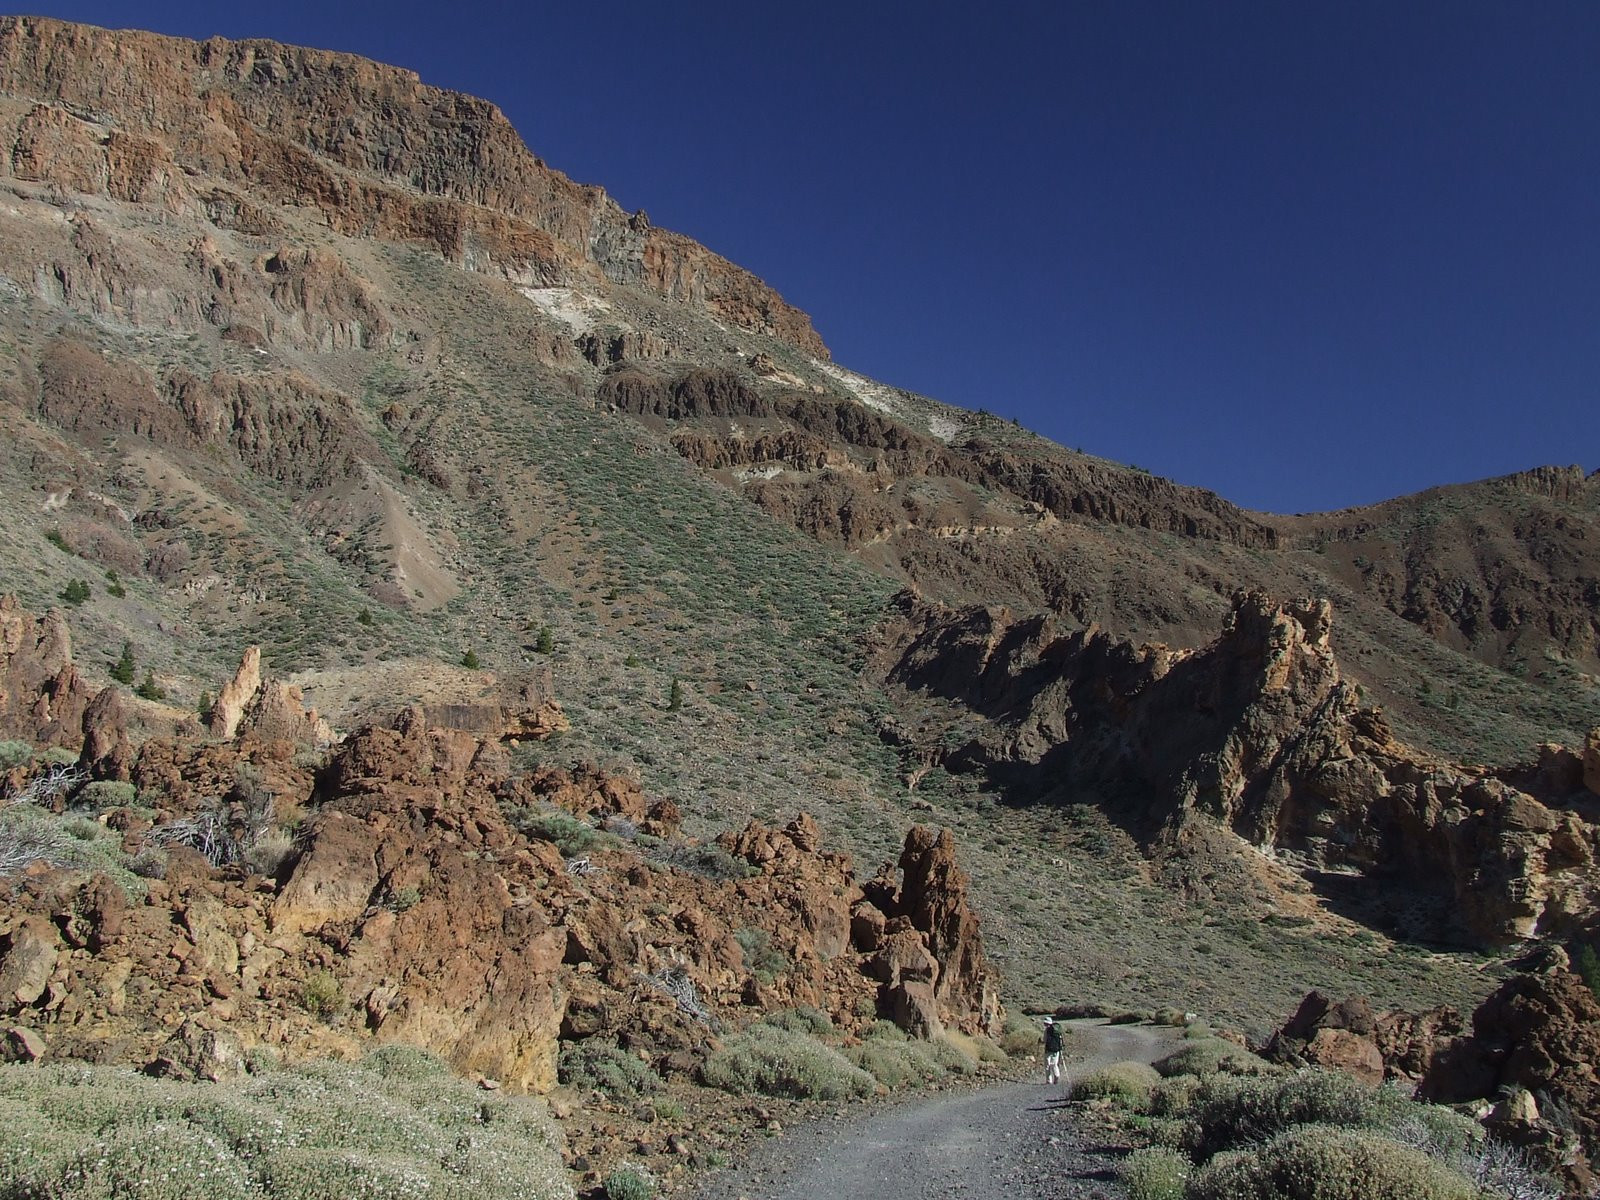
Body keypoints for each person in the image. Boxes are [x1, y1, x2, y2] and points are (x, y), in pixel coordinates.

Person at [1043, 1016, 1064, 1084]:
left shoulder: (1047, 1030)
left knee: (1047, 1065)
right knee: (1054, 1064)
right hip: (1057, 1049)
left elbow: (1044, 1040)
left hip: (1048, 1050)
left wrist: (1041, 1041)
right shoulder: (1057, 1029)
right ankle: (1057, 1075)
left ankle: (1049, 1081)